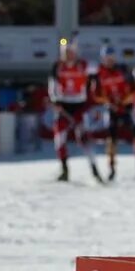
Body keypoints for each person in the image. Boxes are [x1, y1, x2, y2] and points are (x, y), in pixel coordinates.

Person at [47, 35, 96, 183]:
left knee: (84, 138)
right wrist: (54, 101)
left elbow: (97, 75)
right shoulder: (57, 66)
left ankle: (94, 168)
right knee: (59, 139)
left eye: (71, 51)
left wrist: (92, 95)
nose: (68, 55)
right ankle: (64, 169)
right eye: (65, 52)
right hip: (63, 105)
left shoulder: (83, 65)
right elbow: (52, 86)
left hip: (79, 105)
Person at [92, 45, 131, 182]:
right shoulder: (99, 73)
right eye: (107, 58)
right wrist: (108, 102)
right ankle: (112, 168)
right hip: (111, 109)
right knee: (111, 138)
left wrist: (124, 101)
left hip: (126, 107)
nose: (110, 61)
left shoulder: (122, 69)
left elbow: (132, 88)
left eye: (112, 58)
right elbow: (95, 94)